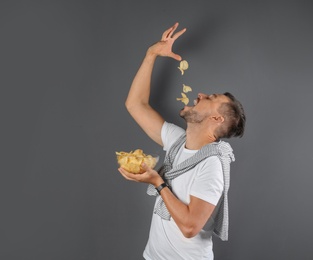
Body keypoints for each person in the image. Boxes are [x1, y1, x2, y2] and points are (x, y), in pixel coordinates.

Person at [118, 22, 246, 260]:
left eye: (210, 97)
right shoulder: (178, 142)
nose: (200, 94)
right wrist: (151, 54)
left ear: (216, 118)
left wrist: (158, 182)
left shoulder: (212, 166)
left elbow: (189, 227)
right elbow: (135, 105)